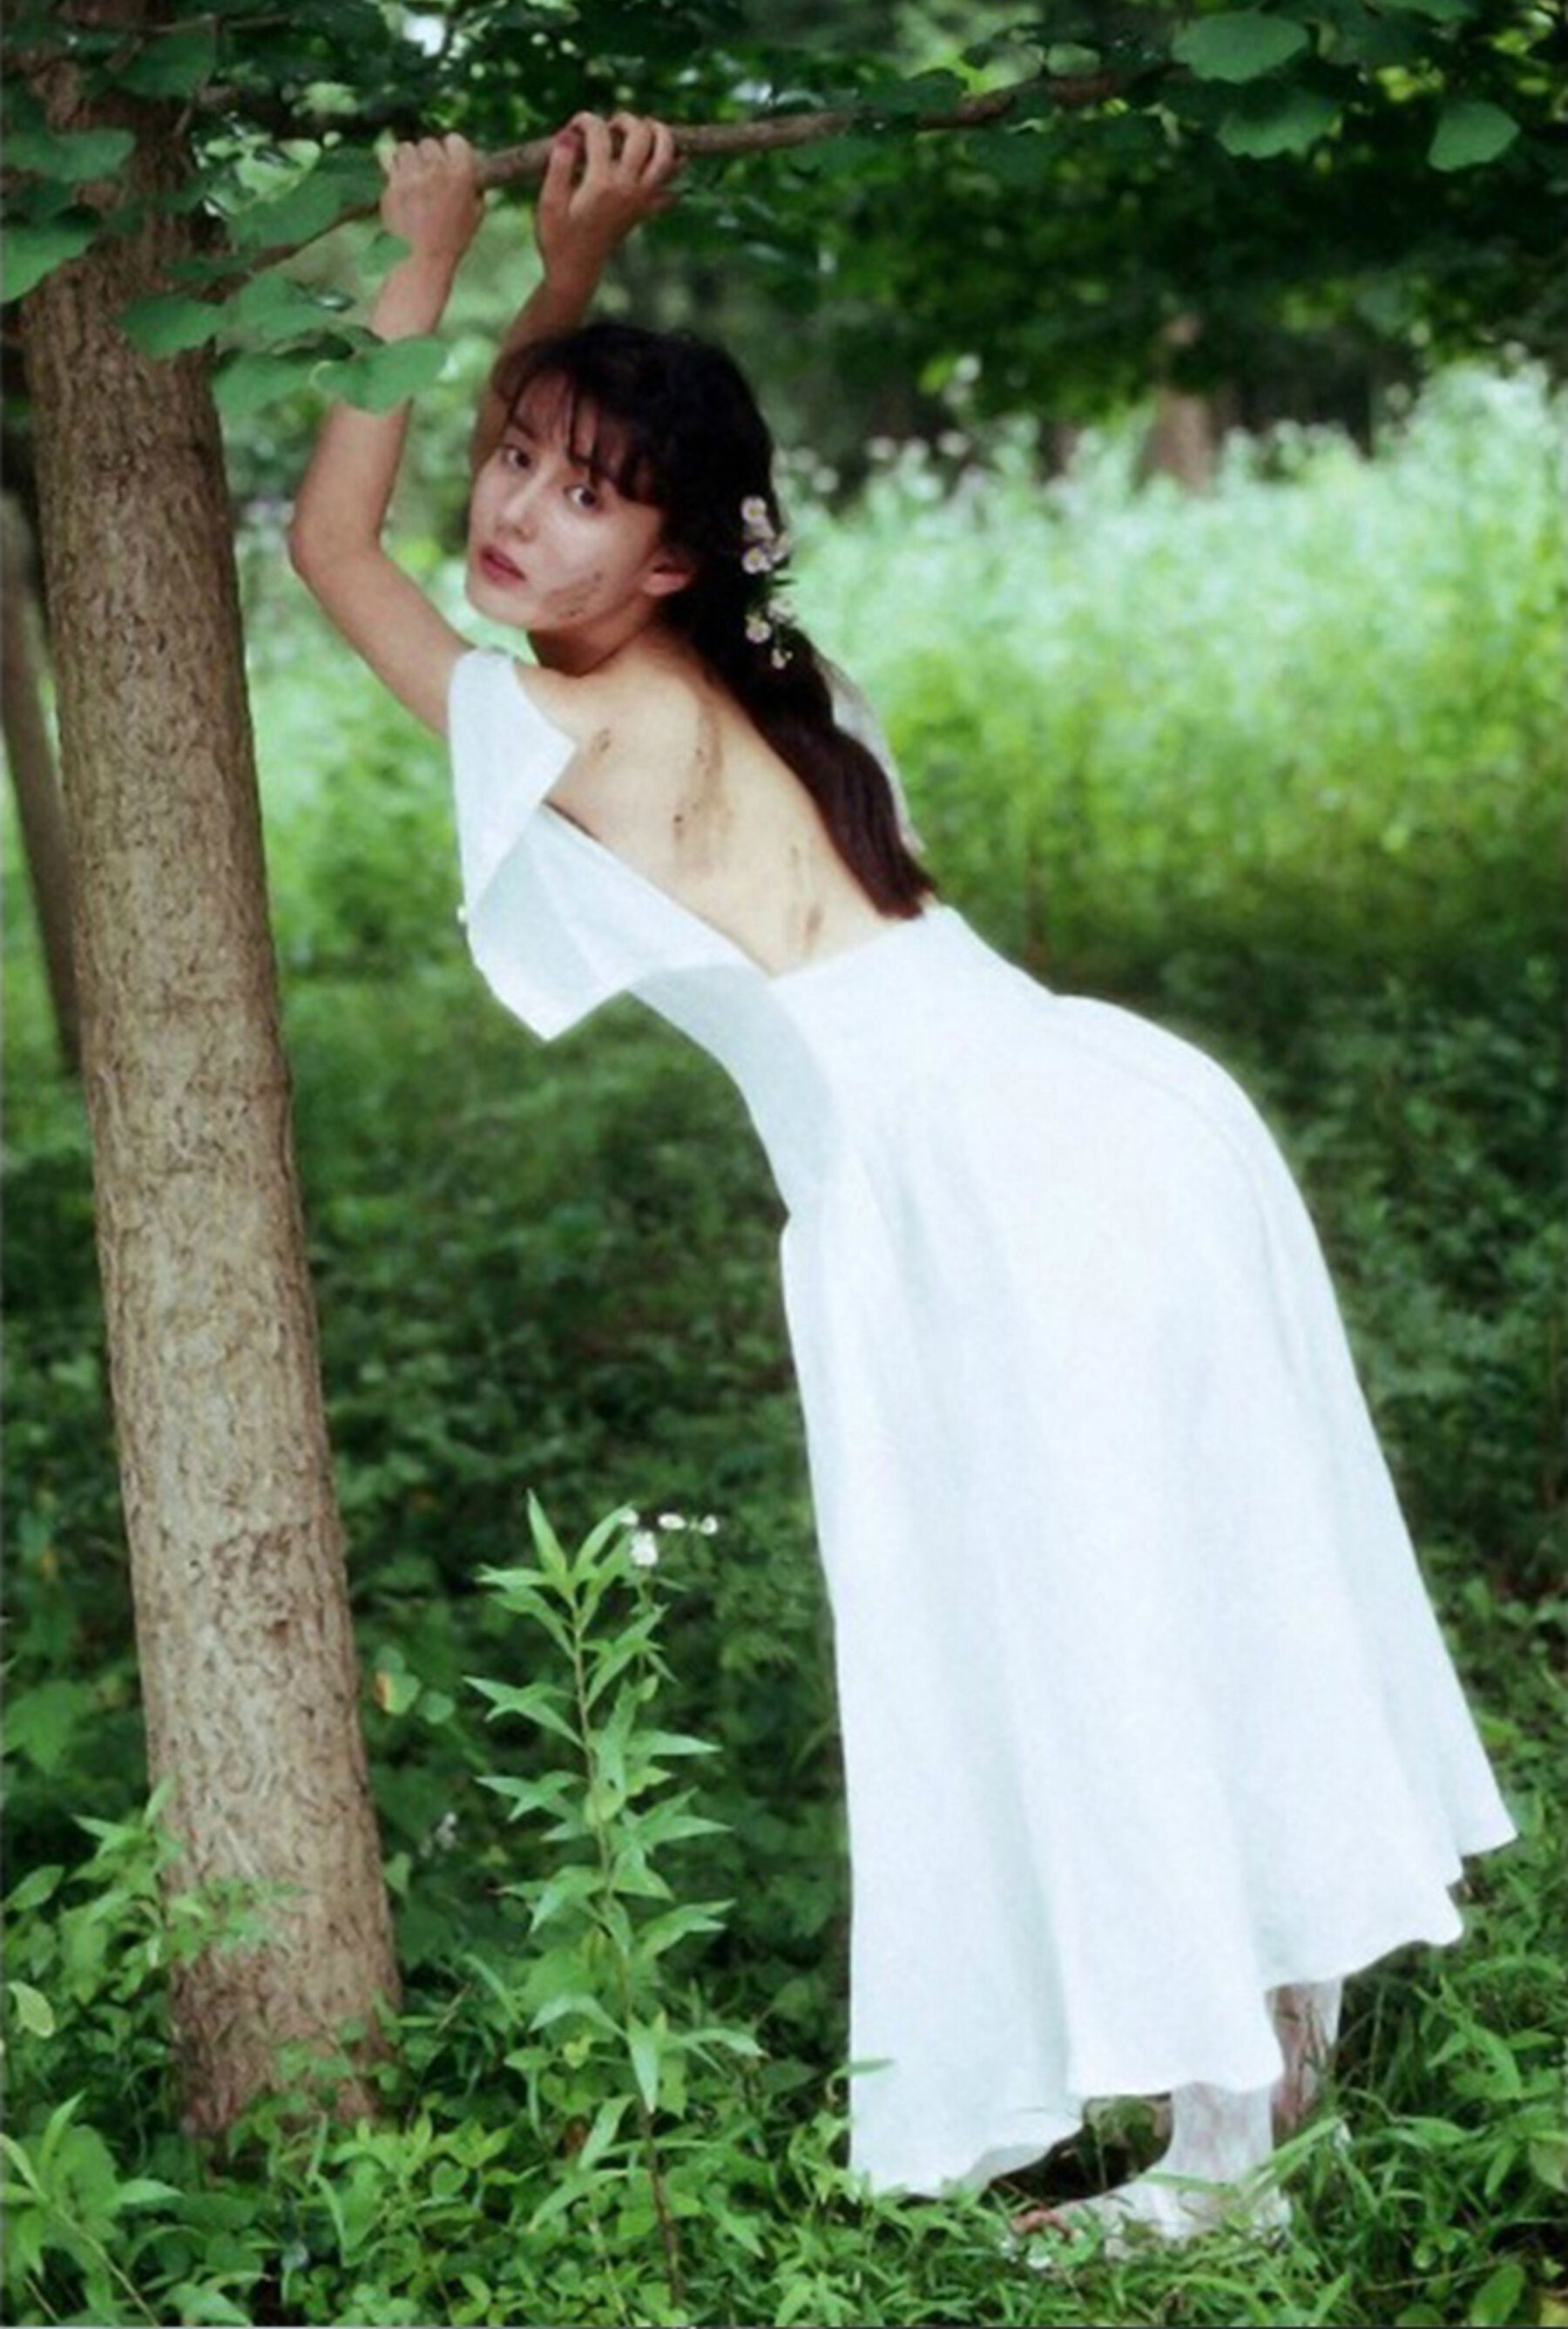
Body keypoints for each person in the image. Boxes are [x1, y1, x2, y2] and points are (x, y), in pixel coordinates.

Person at [289, 114, 1516, 2249]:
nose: (510, 506)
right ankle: (1253, 2083)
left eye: (580, 494)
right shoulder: (753, 677)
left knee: (1080, 1604)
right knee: (1162, 1572)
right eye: (514, 460)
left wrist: (429, 241)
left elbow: (333, 549)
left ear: (672, 560)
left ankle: (1232, 2152)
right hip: (1097, 1109)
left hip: (982, 1180)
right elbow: (550, 503)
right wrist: (564, 272)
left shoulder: (590, 726)